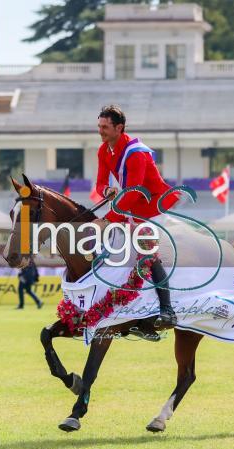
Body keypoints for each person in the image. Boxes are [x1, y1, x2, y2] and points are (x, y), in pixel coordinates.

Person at [93, 104, 179, 329]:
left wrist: (108, 220)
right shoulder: (103, 150)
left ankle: (167, 311)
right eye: (99, 126)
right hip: (130, 206)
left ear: (119, 128)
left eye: (105, 127)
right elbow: (101, 182)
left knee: (147, 252)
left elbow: (133, 192)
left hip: (152, 206)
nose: (100, 131)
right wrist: (106, 191)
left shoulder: (137, 153)